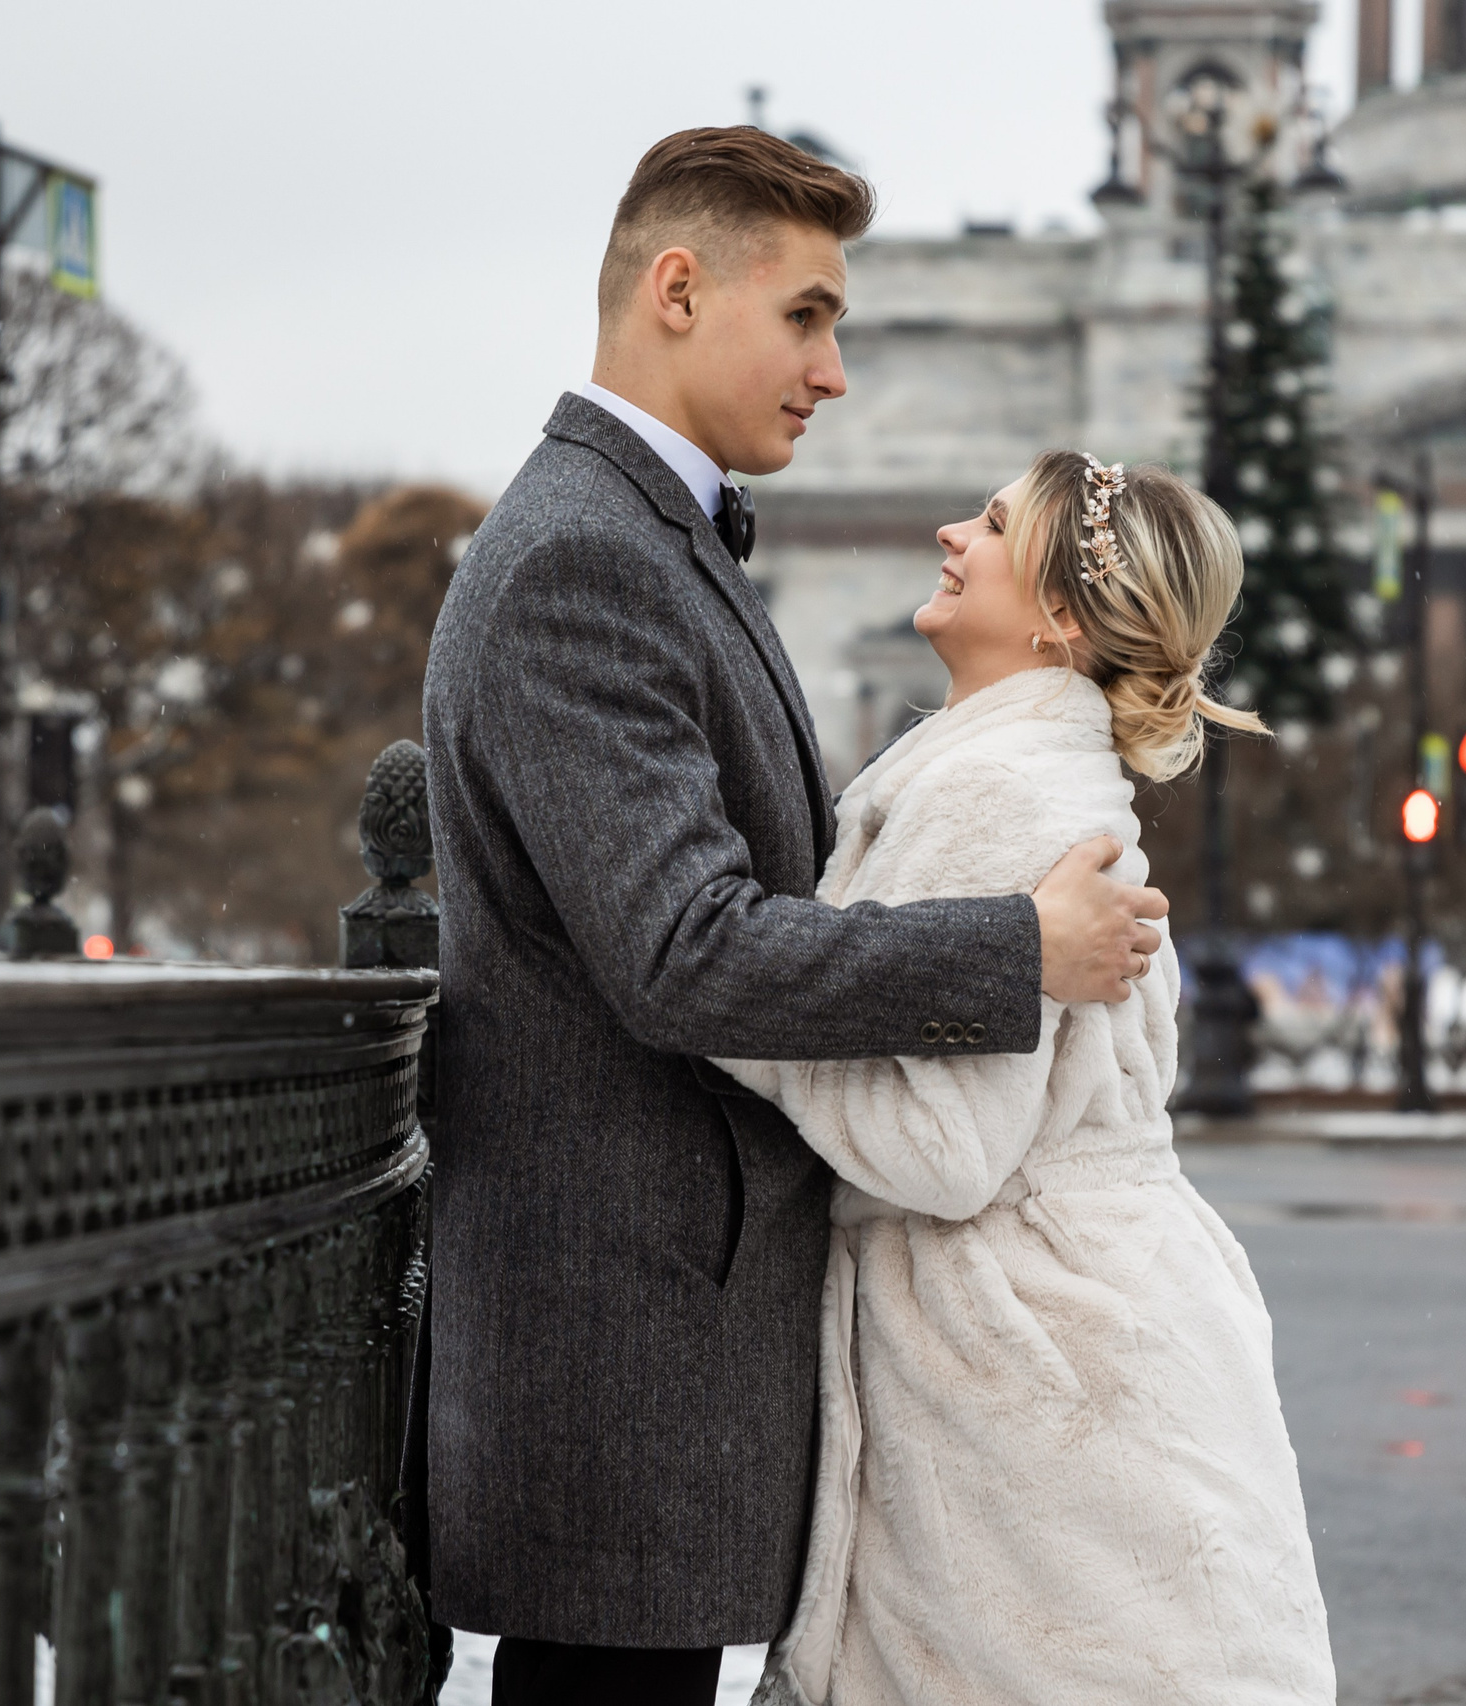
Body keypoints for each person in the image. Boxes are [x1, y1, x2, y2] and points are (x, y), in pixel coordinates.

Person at [420, 129, 1170, 1706]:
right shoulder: (584, 557)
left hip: (661, 1328)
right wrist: (1012, 950)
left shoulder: (646, 538)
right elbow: (684, 947)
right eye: (810, 317)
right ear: (679, 291)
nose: (833, 371)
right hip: (630, 1333)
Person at [719, 453, 1336, 1706]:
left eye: (993, 523)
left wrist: (724, 1009)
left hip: (1020, 1345)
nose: (951, 531)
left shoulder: (996, 788)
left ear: (1060, 614)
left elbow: (940, 1147)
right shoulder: (1024, 772)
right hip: (1092, 1309)